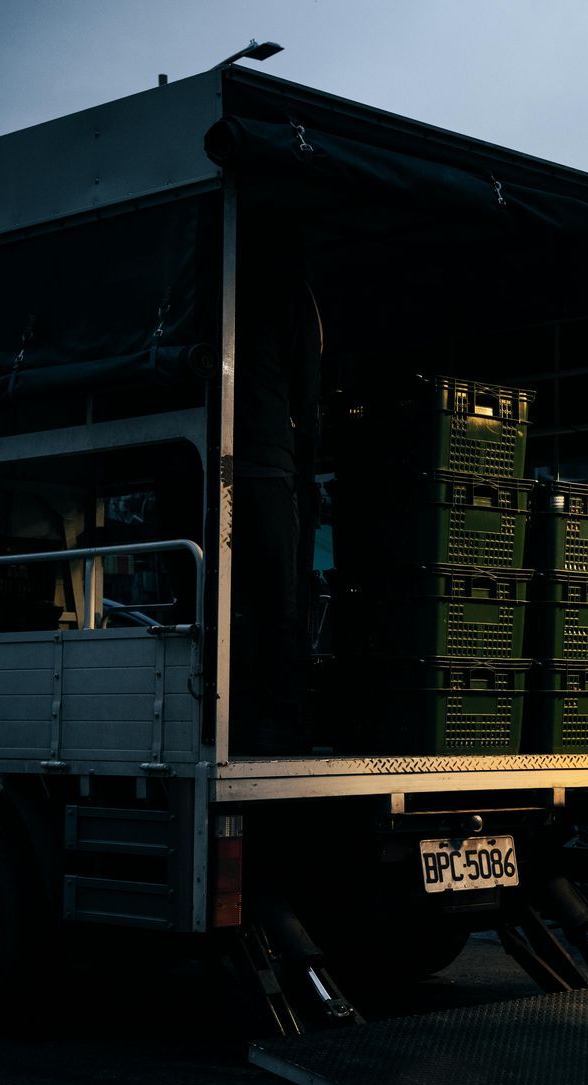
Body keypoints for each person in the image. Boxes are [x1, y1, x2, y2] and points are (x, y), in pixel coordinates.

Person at [230, 229, 322, 756]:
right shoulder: (293, 293)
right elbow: (307, 387)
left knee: (230, 602)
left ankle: (234, 717)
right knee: (277, 604)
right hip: (267, 461)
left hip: (215, 461)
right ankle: (279, 722)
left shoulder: (222, 283)